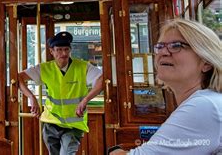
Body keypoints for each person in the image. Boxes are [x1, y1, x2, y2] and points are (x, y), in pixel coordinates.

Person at [110, 19, 222, 155]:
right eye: (160, 46)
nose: (163, 52)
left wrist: (115, 152)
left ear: (206, 62)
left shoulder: (204, 105)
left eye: (176, 46)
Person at [18, 31, 103, 155]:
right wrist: (31, 97)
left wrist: (85, 100)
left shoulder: (83, 67)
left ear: (70, 50)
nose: (63, 53)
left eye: (66, 49)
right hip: (51, 122)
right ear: (51, 51)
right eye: (59, 50)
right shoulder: (44, 68)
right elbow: (18, 78)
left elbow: (102, 79)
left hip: (73, 125)